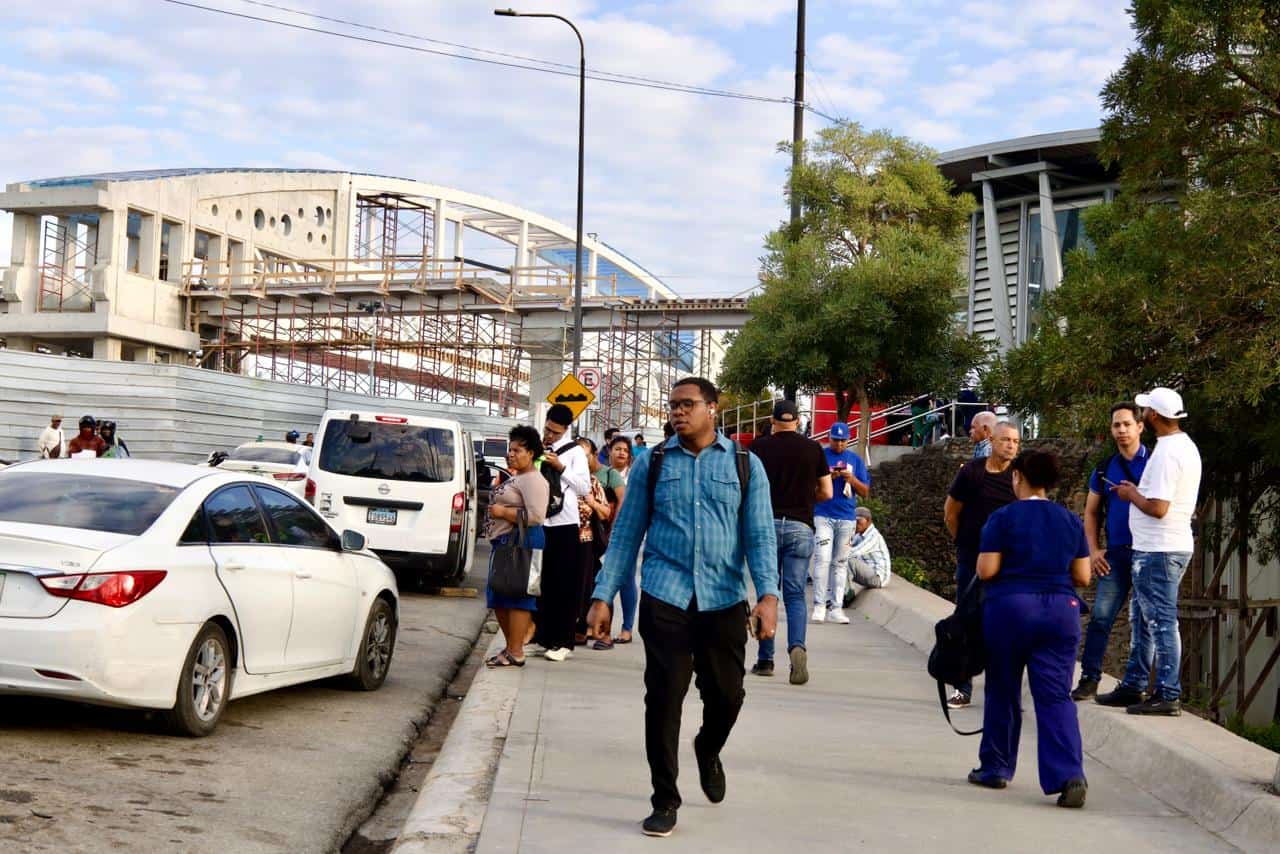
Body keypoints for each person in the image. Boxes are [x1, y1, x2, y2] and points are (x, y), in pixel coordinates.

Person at [586, 377, 779, 838]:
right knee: (664, 697)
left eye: (688, 404)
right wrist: (603, 595)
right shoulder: (652, 463)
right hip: (665, 594)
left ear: (713, 408)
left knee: (728, 695)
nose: (678, 412)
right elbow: (626, 534)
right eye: (673, 405)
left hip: (723, 597)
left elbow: (759, 536)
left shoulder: (745, 464)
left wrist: (768, 596)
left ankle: (708, 748)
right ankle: (664, 800)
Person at [970, 450, 1091, 808]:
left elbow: (987, 570)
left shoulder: (1002, 517)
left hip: (1010, 609)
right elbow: (1083, 576)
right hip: (1061, 612)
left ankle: (996, 768)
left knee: (1003, 689)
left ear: (1017, 477)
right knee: (1055, 696)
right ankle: (1069, 775)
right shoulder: (1070, 521)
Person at [1097, 387, 1202, 715]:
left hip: (1160, 549)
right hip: (1162, 547)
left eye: (1144, 410)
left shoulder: (1169, 452)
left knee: (1161, 621)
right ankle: (1134, 684)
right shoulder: (1182, 446)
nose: (1141, 413)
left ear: (1153, 416)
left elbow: (1158, 508)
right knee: (1143, 619)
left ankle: (1168, 693)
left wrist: (1131, 495)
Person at [746, 399, 832, 684]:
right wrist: (805, 500)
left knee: (767, 592)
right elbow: (827, 492)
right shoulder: (813, 448)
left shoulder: (758, 448)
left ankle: (765, 660)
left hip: (765, 526)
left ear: (772, 421)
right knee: (795, 595)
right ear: (797, 421)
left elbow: (745, 489)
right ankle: (797, 648)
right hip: (800, 527)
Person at [1071, 402, 1150, 701]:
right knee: (1100, 618)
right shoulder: (1104, 468)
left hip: (1149, 553)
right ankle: (1089, 678)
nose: (1121, 430)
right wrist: (1093, 550)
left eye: (1127, 424)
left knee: (1145, 623)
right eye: (1117, 425)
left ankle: (1139, 685)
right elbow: (1091, 512)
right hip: (1115, 554)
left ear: (1140, 426)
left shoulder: (1156, 464)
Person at [943, 420, 1020, 708]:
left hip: (1007, 564)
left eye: (1016, 441)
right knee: (966, 619)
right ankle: (962, 686)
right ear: (993, 441)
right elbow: (951, 513)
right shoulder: (972, 472)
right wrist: (964, 545)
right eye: (1006, 440)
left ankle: (1000, 689)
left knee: (1003, 624)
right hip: (972, 560)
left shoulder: (1019, 476)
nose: (1011, 446)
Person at [483, 425, 549, 668]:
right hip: (506, 541)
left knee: (519, 596)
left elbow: (536, 516)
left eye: (517, 450)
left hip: (523, 541)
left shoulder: (534, 480)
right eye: (510, 449)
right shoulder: (518, 477)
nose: (510, 454)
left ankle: (516, 650)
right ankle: (512, 646)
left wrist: (503, 512)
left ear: (531, 453)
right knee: (498, 596)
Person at [534, 403, 593, 662]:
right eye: (548, 430)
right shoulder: (540, 447)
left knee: (565, 585)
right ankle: (543, 637)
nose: (550, 435)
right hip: (542, 521)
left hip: (565, 523)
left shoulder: (575, 452)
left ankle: (564, 641)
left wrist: (561, 467)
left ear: (566, 430)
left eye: (555, 432)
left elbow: (584, 487)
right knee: (544, 583)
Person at [810, 421, 870, 624]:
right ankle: (819, 605)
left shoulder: (855, 460)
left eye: (843, 440)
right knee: (822, 559)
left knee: (841, 563)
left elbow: (865, 491)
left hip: (846, 517)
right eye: (836, 440)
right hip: (823, 514)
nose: (839, 444)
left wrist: (851, 479)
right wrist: (829, 476)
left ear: (848, 440)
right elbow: (809, 484)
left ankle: (836, 607)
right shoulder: (820, 456)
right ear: (829, 438)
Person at [575, 437, 614, 648]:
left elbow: (606, 512)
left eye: (584, 455)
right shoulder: (558, 478)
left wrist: (593, 504)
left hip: (586, 542)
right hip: (559, 542)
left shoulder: (593, 482)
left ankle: (583, 630)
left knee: (585, 587)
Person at [601, 434, 637, 644]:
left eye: (625, 450)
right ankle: (599, 627)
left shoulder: (634, 477)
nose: (621, 453)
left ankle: (627, 629)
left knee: (626, 580)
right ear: (610, 452)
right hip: (601, 535)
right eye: (617, 449)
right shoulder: (602, 475)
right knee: (602, 579)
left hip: (627, 535)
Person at [844, 506, 891, 605]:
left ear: (868, 521)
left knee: (848, 561)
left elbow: (854, 552)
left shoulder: (873, 536)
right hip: (868, 572)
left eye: (859, 521)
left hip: (878, 578)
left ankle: (847, 595)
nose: (856, 524)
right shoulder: (859, 535)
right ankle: (835, 594)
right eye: (854, 521)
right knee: (839, 561)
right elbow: (847, 546)